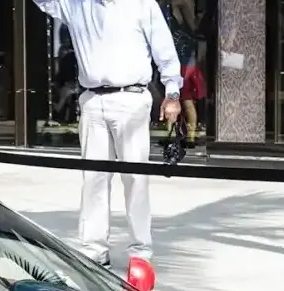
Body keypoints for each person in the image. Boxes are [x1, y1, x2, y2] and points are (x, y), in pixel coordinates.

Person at [31, 0, 180, 275]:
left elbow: (165, 52)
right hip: (92, 101)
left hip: (131, 98)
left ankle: (140, 251)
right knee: (93, 179)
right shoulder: (76, 5)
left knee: (135, 178)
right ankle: (94, 251)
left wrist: (172, 93)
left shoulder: (141, 4)